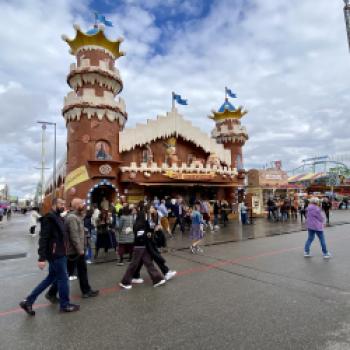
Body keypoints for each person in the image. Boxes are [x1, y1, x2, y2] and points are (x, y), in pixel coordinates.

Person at [19, 198, 79, 315]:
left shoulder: (57, 217)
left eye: (64, 203)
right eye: (61, 204)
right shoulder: (49, 218)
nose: (63, 205)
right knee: (63, 279)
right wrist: (41, 258)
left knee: (50, 278)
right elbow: (43, 239)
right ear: (54, 205)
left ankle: (28, 301)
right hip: (56, 254)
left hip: (59, 253)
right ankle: (65, 305)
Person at [47, 198, 99, 299]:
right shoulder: (72, 218)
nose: (84, 205)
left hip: (77, 250)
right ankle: (51, 293)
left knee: (82, 270)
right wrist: (80, 250)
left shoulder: (77, 216)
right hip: (74, 251)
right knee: (66, 273)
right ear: (76, 205)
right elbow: (74, 236)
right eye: (82, 204)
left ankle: (86, 290)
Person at [119, 203, 166, 289]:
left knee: (148, 263)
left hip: (142, 245)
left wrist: (149, 232)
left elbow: (145, 230)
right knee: (134, 264)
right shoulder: (140, 220)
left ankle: (157, 279)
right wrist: (146, 234)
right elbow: (140, 233)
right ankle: (125, 282)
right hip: (139, 245)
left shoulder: (142, 220)